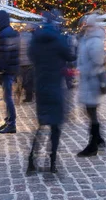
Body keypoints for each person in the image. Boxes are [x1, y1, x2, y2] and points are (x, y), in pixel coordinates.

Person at [27, 12, 75, 174]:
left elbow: (31, 56)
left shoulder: (35, 40)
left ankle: (31, 160)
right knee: (55, 126)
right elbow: (70, 55)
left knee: (41, 124)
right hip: (55, 85)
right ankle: (52, 162)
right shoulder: (58, 39)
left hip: (41, 85)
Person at [76, 14, 106, 157]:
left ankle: (93, 144)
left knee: (91, 112)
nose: (85, 27)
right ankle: (99, 139)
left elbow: (97, 62)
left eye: (87, 25)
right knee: (90, 111)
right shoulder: (87, 39)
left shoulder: (94, 41)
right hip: (87, 81)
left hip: (92, 81)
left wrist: (82, 70)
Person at [0, 10, 20, 134]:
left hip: (6, 70)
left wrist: (0, 70)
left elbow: (4, 55)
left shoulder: (4, 35)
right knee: (6, 96)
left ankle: (11, 124)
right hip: (11, 69)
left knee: (8, 97)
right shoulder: (10, 32)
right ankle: (8, 121)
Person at [19, 27, 34, 103]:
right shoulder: (31, 38)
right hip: (30, 63)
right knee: (29, 80)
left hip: (21, 63)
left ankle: (28, 96)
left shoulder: (18, 38)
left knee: (24, 80)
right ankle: (29, 96)